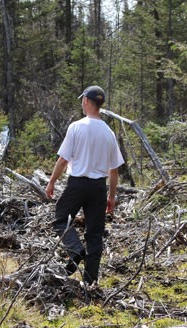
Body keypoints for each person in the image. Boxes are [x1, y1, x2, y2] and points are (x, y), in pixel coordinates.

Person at [45, 85, 125, 286]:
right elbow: (114, 170)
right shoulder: (108, 133)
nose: (82, 102)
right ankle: (90, 281)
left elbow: (63, 160)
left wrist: (52, 182)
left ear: (87, 101)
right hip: (98, 187)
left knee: (60, 219)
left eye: (83, 100)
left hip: (78, 184)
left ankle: (75, 250)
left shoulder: (77, 127)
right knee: (94, 233)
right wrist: (111, 196)